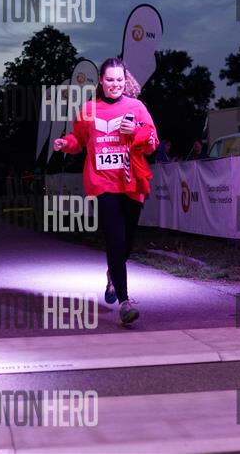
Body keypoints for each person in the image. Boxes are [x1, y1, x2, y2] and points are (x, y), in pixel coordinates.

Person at [53, 58, 158, 325]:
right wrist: (65, 143)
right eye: (110, 79)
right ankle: (125, 302)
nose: (115, 84)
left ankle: (113, 274)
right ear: (101, 80)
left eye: (119, 80)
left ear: (125, 80)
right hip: (102, 183)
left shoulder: (136, 107)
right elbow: (78, 139)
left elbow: (152, 143)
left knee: (127, 241)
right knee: (114, 238)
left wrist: (135, 130)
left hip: (131, 182)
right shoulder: (89, 110)